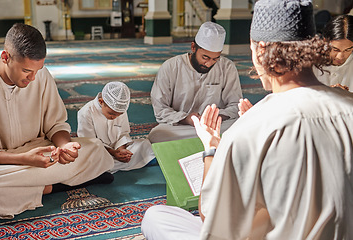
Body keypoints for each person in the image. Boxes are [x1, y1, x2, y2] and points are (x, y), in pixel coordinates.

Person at [141, 0, 353, 239]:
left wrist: (211, 149)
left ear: (260, 49)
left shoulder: (251, 128)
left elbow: (210, 216)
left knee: (156, 217)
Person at [0, 23, 114, 219]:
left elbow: (56, 124)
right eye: (27, 71)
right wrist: (23, 159)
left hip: (42, 153)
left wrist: (65, 146)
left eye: (38, 70)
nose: (34, 78)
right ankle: (53, 186)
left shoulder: (41, 75)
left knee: (96, 148)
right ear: (5, 57)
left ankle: (6, 196)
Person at [148, 21, 242, 143]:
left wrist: (216, 118)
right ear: (193, 47)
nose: (209, 63)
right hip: (182, 127)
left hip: (216, 126)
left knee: (241, 128)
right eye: (205, 57)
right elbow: (160, 109)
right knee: (157, 135)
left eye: (215, 59)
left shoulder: (227, 67)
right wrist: (187, 119)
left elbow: (235, 105)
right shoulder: (171, 67)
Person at [77, 81, 156, 173]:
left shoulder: (119, 109)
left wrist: (121, 149)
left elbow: (123, 133)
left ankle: (106, 169)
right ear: (101, 101)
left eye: (119, 115)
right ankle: (108, 167)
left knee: (145, 144)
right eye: (111, 114)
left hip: (116, 150)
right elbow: (89, 143)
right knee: (88, 159)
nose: (114, 117)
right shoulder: (86, 112)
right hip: (99, 152)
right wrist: (113, 153)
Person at [313, 14, 353, 92]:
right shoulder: (310, 61)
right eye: (335, 49)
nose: (340, 57)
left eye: (348, 50)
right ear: (325, 41)